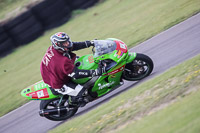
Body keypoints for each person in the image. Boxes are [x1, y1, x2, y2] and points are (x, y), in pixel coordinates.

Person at [40, 32, 106, 106]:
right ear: (58, 44)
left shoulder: (55, 48)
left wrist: (90, 43)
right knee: (82, 91)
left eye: (67, 41)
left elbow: (74, 46)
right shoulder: (62, 61)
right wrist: (95, 72)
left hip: (52, 71)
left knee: (82, 61)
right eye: (65, 43)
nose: (68, 44)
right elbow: (76, 74)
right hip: (58, 83)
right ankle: (72, 103)